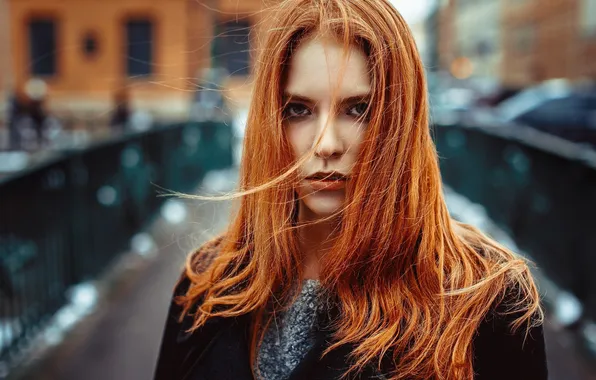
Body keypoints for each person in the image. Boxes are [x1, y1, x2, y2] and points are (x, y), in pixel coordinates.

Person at [153, 1, 548, 379]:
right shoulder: (207, 286)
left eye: (358, 109)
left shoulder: (488, 300)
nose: (327, 144)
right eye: (298, 109)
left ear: (400, 121)